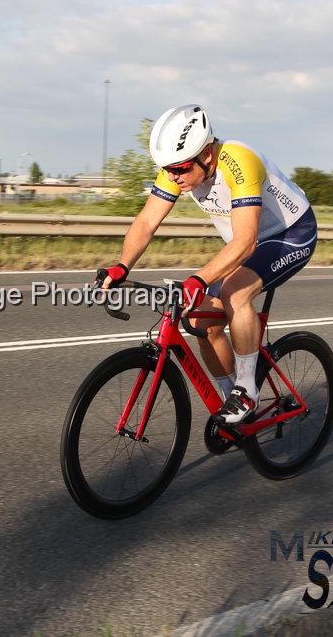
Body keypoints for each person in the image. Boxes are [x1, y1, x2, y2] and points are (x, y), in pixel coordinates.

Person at [99, 104, 317, 424]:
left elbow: (245, 243)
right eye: (168, 169)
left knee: (234, 294)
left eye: (181, 169)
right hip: (247, 241)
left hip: (291, 234)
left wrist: (198, 280)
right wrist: (122, 265)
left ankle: (246, 392)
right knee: (203, 324)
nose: (174, 176)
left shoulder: (239, 162)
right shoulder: (180, 167)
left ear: (207, 154)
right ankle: (230, 401)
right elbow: (146, 221)